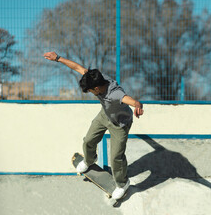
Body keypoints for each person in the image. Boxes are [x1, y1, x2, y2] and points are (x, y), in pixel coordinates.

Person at [43, 51, 144, 200]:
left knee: (116, 156)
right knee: (88, 140)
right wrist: (58, 58)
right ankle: (90, 160)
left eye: (90, 91)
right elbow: (78, 68)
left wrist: (137, 105)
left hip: (120, 124)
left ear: (96, 89)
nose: (90, 92)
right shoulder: (95, 78)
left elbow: (129, 99)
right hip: (105, 115)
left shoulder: (114, 93)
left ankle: (123, 184)